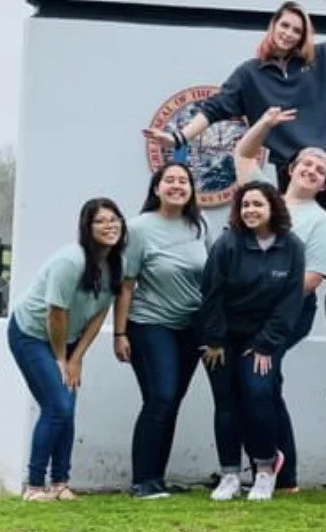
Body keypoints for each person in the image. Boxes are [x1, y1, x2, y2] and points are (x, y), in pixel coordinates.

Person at [144, 0, 326, 217]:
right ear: (273, 25)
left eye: (297, 30)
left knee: (322, 229)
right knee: (292, 234)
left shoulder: (323, 58)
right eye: (284, 26)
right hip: (291, 166)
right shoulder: (249, 74)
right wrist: (178, 138)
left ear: (303, 36)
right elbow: (212, 109)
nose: (288, 34)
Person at [233, 106, 326, 491]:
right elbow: (244, 155)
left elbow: (310, 280)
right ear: (291, 167)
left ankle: (267, 460)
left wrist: (260, 297)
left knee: (258, 381)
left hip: (288, 314)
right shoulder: (263, 195)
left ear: (324, 184)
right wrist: (265, 124)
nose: (311, 171)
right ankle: (284, 475)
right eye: (307, 164)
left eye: (320, 171)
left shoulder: (321, 221)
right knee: (266, 385)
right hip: (246, 312)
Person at [7, 197, 127, 501]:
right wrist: (61, 358)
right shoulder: (70, 262)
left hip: (68, 339)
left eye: (114, 219)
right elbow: (55, 314)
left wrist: (76, 358)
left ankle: (60, 482)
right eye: (100, 221)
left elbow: (100, 313)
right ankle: (34, 485)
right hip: (32, 334)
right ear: (87, 228)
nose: (109, 226)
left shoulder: (116, 263)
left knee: (67, 409)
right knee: (57, 405)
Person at [199, 181, 305, 502]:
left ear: (273, 207)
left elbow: (289, 303)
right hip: (222, 337)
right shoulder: (227, 244)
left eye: (257, 204)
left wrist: (265, 344)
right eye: (245, 205)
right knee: (226, 402)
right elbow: (211, 294)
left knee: (258, 394)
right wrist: (214, 339)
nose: (250, 211)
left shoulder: (292, 247)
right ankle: (230, 474)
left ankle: (264, 469)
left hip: (262, 339)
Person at [112, 162, 211, 499]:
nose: (177, 186)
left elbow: (211, 278)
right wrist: (119, 333)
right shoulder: (138, 228)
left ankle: (157, 479)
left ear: (191, 190)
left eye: (184, 181)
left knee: (170, 402)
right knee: (161, 397)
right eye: (169, 180)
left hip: (191, 328)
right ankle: (142, 481)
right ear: (157, 188)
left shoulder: (200, 225)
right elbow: (126, 285)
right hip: (150, 324)